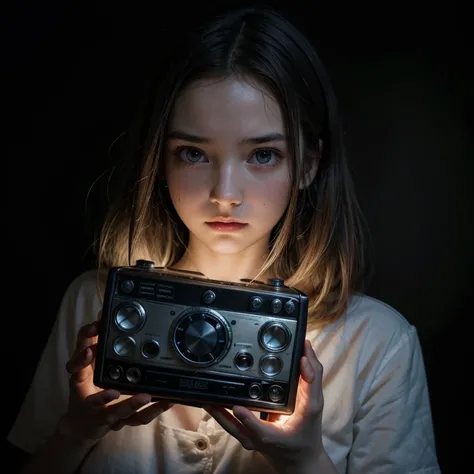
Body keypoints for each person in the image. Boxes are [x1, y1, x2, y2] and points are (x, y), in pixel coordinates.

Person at [8, 5, 441, 474]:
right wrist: (76, 431)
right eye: (194, 153)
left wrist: (304, 459)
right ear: (160, 159)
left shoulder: (378, 343)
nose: (225, 194)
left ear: (310, 163)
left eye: (262, 154)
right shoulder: (95, 301)